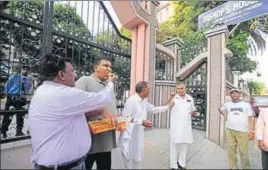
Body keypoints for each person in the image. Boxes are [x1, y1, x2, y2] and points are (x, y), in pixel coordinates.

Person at [28, 54, 117, 170]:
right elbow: (104, 99)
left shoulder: (43, 90)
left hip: (55, 163)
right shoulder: (65, 94)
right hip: (63, 166)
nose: (75, 74)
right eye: (72, 71)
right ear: (61, 74)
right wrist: (111, 83)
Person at [118, 81, 174, 169]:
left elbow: (153, 109)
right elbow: (125, 118)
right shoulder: (132, 100)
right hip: (129, 135)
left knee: (137, 157)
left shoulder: (143, 101)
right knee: (128, 157)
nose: (149, 91)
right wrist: (142, 122)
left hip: (138, 134)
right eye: (149, 89)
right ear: (144, 90)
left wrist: (167, 106)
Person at [75, 56, 117, 170]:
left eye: (110, 67)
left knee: (105, 166)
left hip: (106, 139)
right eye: (105, 65)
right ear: (95, 67)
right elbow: (77, 107)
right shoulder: (85, 81)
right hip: (90, 140)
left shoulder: (109, 85)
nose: (109, 69)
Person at [218, 88, 255, 169]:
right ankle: (233, 167)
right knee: (231, 151)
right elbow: (220, 109)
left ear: (240, 94)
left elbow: (251, 118)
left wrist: (252, 131)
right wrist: (225, 115)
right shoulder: (227, 104)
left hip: (242, 132)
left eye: (236, 93)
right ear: (230, 95)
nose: (234, 94)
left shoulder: (246, 105)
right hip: (230, 130)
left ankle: (246, 168)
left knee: (243, 152)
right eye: (232, 93)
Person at [168, 82, 196, 170]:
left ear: (185, 89)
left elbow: (193, 109)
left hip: (186, 127)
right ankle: (173, 165)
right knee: (174, 147)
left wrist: (193, 113)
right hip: (176, 127)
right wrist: (170, 98)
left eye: (181, 88)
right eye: (178, 89)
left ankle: (181, 164)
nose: (179, 90)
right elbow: (168, 105)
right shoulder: (174, 98)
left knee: (184, 146)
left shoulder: (190, 98)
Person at [1, 65, 32, 138]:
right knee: (7, 116)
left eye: (27, 69)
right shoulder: (14, 77)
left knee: (20, 117)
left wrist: (27, 99)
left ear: (29, 71)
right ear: (21, 70)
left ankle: (19, 132)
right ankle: (3, 132)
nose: (25, 70)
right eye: (24, 68)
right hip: (12, 99)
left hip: (21, 100)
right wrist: (9, 97)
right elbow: (7, 87)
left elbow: (29, 91)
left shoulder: (29, 80)